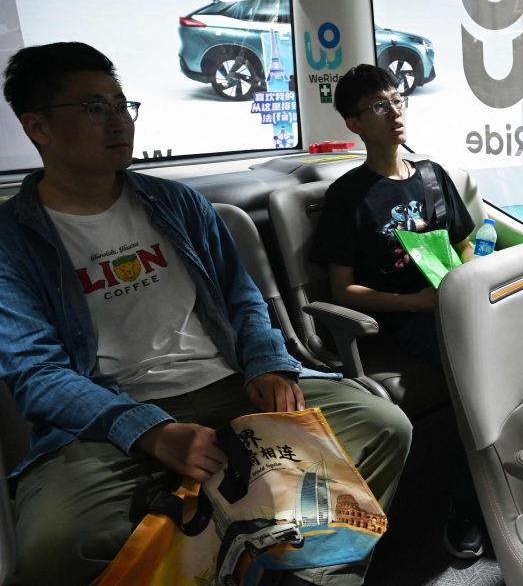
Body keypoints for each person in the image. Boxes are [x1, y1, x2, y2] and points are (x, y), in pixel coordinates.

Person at [0, 43, 412, 586]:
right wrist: (150, 431)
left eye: (124, 105)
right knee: (54, 546)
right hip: (106, 413)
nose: (120, 122)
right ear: (39, 128)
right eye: (95, 109)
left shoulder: (178, 205)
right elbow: (36, 373)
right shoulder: (14, 240)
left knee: (384, 427)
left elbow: (242, 300)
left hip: (227, 381)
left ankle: (310, 572)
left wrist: (267, 362)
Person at [308, 64, 483, 559]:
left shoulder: (432, 175)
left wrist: (459, 281)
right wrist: (415, 302)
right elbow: (343, 290)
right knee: (481, 380)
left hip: (452, 302)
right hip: (406, 319)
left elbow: (464, 243)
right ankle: (468, 508)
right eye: (378, 106)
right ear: (355, 124)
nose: (394, 112)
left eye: (398, 100)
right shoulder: (349, 196)